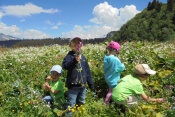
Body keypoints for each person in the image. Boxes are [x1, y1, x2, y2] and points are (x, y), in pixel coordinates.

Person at [62, 37, 94, 116]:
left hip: (82, 86)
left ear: (81, 45)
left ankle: (80, 114)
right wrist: (74, 61)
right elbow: (65, 66)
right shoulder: (69, 56)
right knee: (71, 103)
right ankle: (68, 115)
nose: (77, 44)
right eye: (74, 42)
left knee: (81, 102)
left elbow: (87, 71)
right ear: (70, 45)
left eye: (78, 42)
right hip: (73, 86)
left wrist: (91, 83)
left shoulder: (83, 57)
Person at [103, 41, 125, 105]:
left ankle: (111, 102)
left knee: (111, 89)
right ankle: (106, 103)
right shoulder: (115, 59)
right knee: (112, 91)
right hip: (114, 78)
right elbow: (121, 67)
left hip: (108, 77)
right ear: (115, 50)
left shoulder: (106, 57)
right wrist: (123, 64)